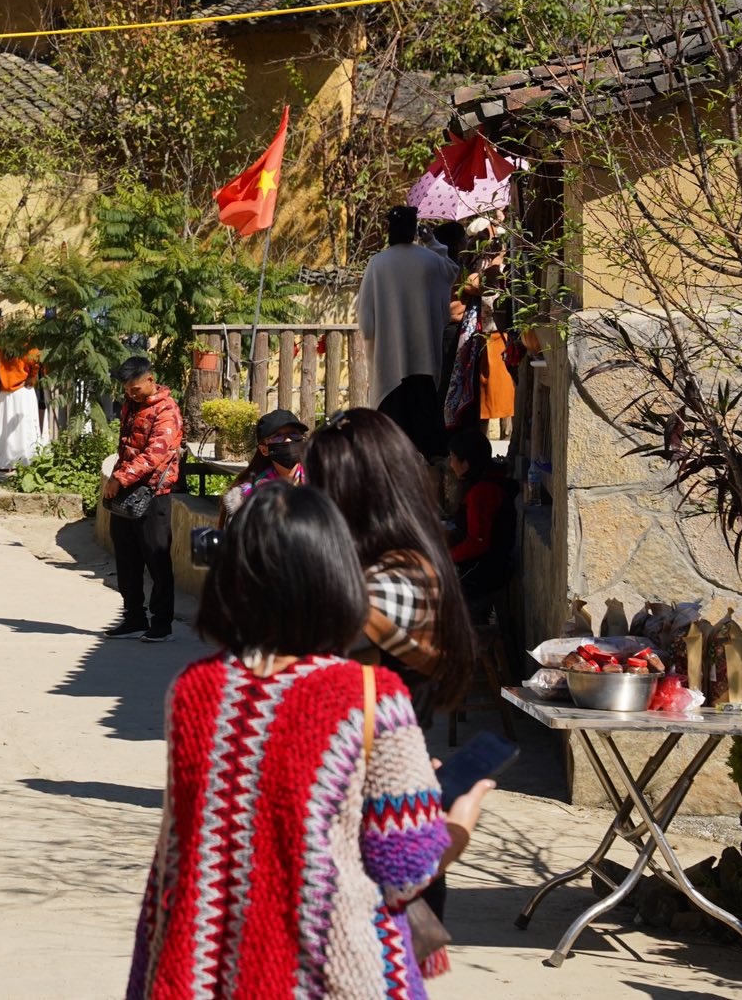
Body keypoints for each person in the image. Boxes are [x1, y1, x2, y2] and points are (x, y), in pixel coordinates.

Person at [128, 484, 490, 1000]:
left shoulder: (194, 691)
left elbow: (175, 858)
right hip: (337, 977)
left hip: (207, 975)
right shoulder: (372, 698)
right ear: (337, 576)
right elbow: (405, 872)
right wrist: (456, 823)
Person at [302, 407, 477, 725]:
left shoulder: (395, 580)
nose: (310, 499)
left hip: (369, 761)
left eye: (317, 486)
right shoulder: (396, 564)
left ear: (355, 494)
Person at [356, 206, 458, 460]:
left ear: (389, 230)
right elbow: (452, 271)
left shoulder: (378, 263)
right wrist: (432, 242)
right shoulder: (430, 261)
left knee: (391, 445)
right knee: (430, 447)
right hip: (424, 363)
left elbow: (365, 320)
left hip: (390, 368)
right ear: (415, 229)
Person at [105, 356, 184, 643]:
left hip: (153, 495)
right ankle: (133, 617)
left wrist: (119, 478)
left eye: (135, 389)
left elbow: (155, 454)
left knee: (157, 559)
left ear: (151, 379)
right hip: (127, 493)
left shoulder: (167, 410)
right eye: (127, 390)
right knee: (126, 559)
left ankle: (161, 623)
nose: (131, 394)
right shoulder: (131, 406)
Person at [446, 425, 517, 623]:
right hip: (491, 568)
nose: (451, 464)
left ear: (466, 463)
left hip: (484, 574)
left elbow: (478, 541)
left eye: (453, 457)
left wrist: (446, 558)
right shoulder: (489, 481)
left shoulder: (482, 492)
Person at [218, 408, 308, 524]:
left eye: (294, 433)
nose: (288, 440)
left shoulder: (321, 483)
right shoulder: (247, 499)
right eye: (278, 436)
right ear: (264, 450)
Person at [0, 336, 44, 471]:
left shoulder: (3, 345)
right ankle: (25, 460)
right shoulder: (29, 346)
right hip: (24, 391)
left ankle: (2, 460)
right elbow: (36, 363)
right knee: (24, 426)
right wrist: (30, 377)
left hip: (5, 393)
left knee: (3, 427)